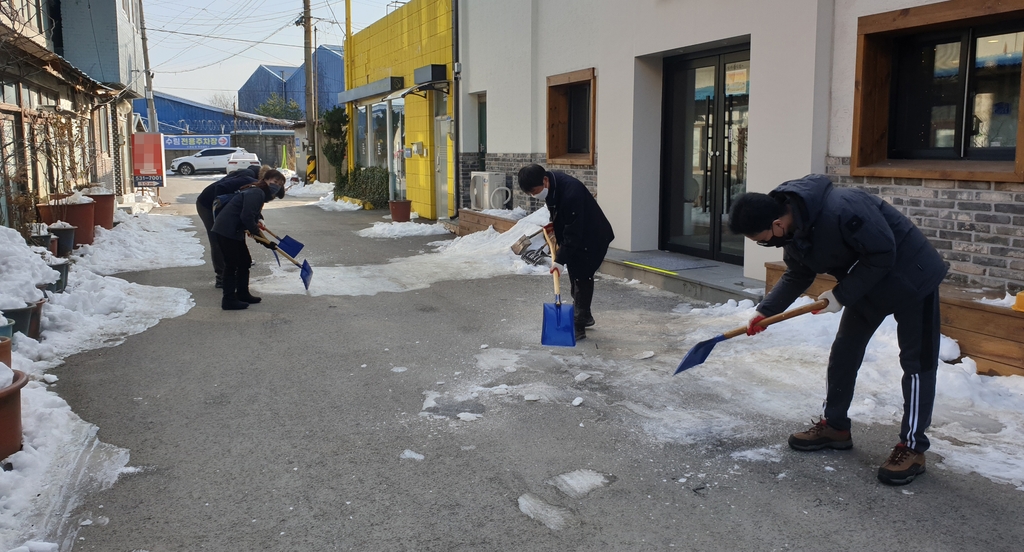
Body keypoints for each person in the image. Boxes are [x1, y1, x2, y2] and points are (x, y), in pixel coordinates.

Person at [727, 174, 947, 485]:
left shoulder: (842, 208)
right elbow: (797, 274)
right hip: (867, 283)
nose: (766, 243)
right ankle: (836, 426)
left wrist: (841, 295)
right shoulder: (795, 231)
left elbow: (884, 253)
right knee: (844, 351)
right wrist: (765, 311)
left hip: (913, 276)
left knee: (916, 363)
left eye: (761, 238)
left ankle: (912, 448)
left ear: (777, 223)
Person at [517, 164, 614, 341]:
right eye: (529, 193)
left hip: (593, 237)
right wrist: (553, 226)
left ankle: (578, 325)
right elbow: (560, 214)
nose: (533, 195)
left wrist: (560, 259)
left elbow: (574, 232)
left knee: (581, 276)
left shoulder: (571, 193)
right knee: (576, 275)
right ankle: (584, 315)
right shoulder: (552, 186)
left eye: (534, 191)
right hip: (578, 235)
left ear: (544, 180)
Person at [210, 169, 286, 310]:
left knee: (245, 262)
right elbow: (246, 217)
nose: (277, 186)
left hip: (234, 230)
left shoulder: (259, 193)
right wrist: (262, 240)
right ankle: (228, 300)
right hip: (226, 230)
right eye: (275, 182)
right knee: (232, 264)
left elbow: (251, 215)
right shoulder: (257, 192)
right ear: (266, 180)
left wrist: (260, 234)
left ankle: (243, 293)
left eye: (280, 184)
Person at [195, 165, 273, 288]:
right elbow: (220, 187)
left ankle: (237, 265)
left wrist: (258, 218)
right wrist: (222, 210)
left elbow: (248, 204)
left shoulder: (254, 181)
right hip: (207, 204)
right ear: (264, 179)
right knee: (218, 238)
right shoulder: (248, 179)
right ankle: (221, 277)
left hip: (222, 206)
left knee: (236, 234)